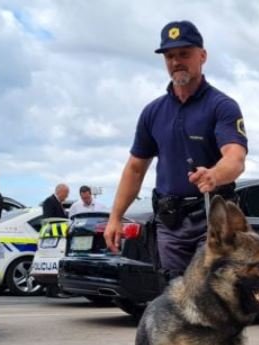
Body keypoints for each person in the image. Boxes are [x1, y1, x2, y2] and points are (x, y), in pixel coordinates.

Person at [104, 20, 247, 276]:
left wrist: (214, 175)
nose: (176, 61)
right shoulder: (153, 112)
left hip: (212, 221)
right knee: (175, 297)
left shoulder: (222, 106)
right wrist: (115, 217)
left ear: (202, 56)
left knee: (214, 296)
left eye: (184, 54)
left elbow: (235, 157)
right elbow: (135, 169)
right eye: (169, 56)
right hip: (170, 223)